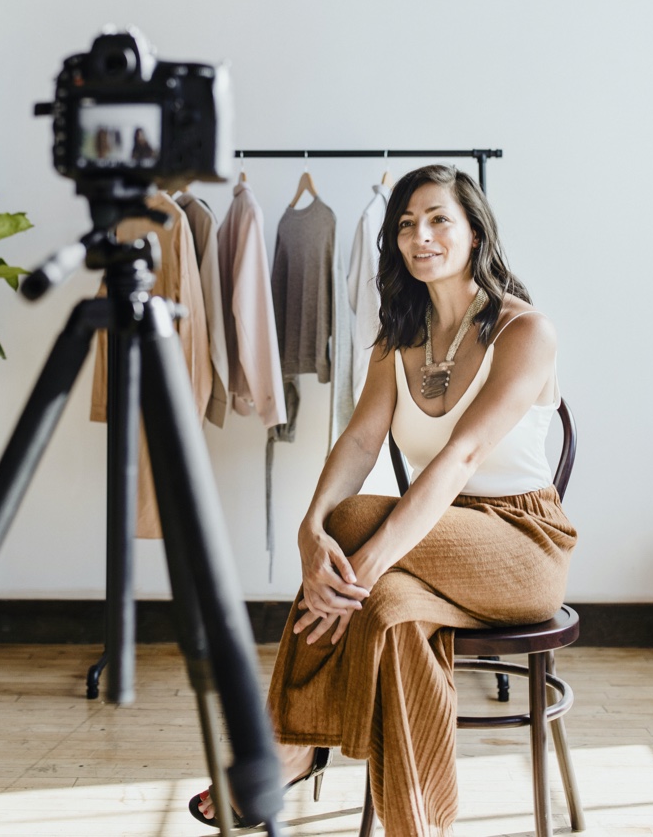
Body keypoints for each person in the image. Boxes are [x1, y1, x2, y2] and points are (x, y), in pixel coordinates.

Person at [190, 164, 577, 836]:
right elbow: (361, 441)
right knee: (390, 613)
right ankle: (416, 824)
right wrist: (312, 529)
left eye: (437, 220)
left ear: (477, 232)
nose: (418, 235)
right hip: (437, 541)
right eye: (405, 224)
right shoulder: (399, 337)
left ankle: (290, 743)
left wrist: (359, 567)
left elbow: (462, 457)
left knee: (360, 534)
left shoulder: (524, 331)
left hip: (521, 545)